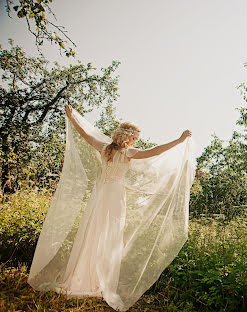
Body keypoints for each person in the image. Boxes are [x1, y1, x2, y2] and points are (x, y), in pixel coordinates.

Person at [28, 105, 195, 311]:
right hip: (114, 196)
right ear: (129, 138)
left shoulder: (104, 147)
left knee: (93, 232)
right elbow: (155, 151)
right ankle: (98, 280)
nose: (136, 141)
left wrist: (72, 118)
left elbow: (84, 133)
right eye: (135, 138)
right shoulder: (129, 152)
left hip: (101, 194)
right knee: (109, 235)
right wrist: (178, 141)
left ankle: (87, 276)